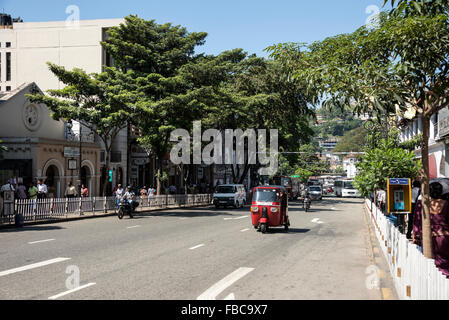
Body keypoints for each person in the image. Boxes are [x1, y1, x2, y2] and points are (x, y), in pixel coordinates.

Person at [413, 182, 449, 277]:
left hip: (428, 237)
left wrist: (415, 235)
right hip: (444, 237)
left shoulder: (423, 204)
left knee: (430, 264)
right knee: (445, 262)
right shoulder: (446, 204)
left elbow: (417, 220)